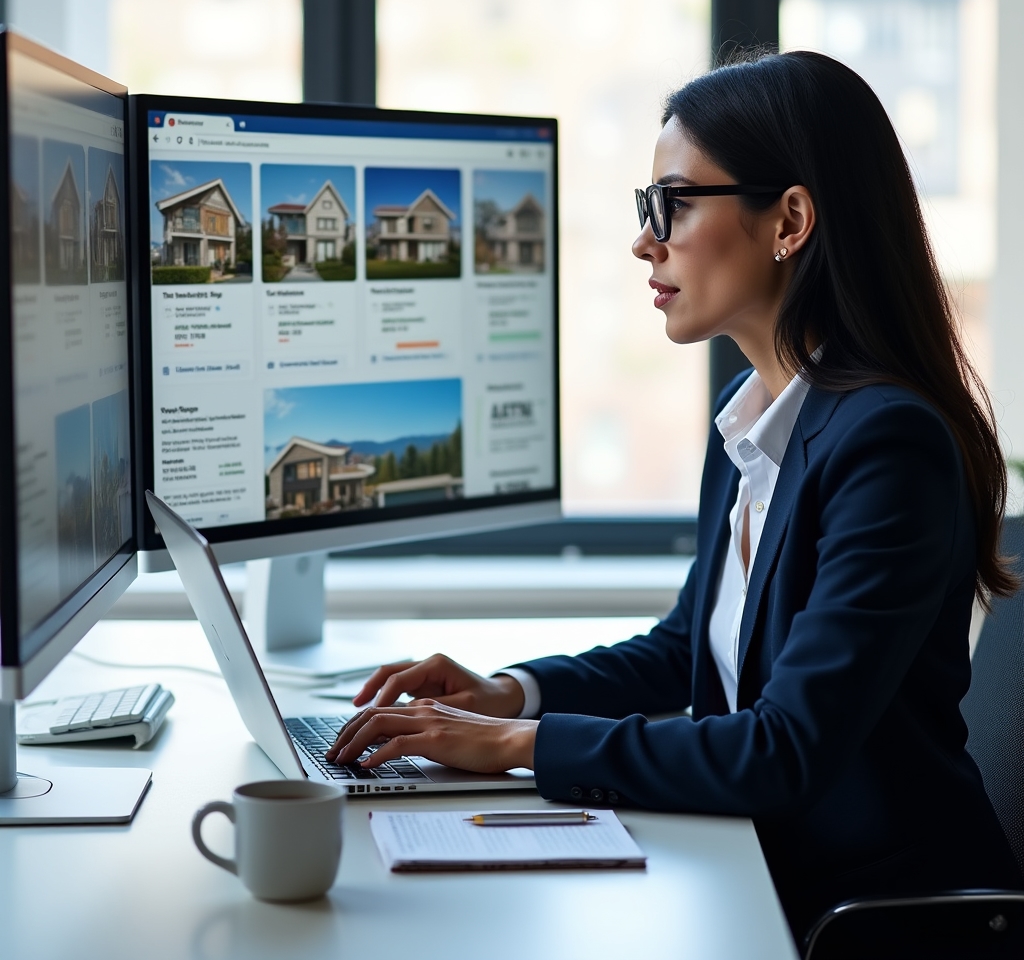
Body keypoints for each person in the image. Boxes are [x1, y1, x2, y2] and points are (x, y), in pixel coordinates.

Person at [327, 50, 1024, 939]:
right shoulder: (754, 422)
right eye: (645, 207)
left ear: (791, 219)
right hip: (763, 876)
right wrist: (510, 695)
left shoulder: (890, 445)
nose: (644, 239)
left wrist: (514, 750)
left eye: (673, 203)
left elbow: (784, 749)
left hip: (872, 920)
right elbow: (689, 648)